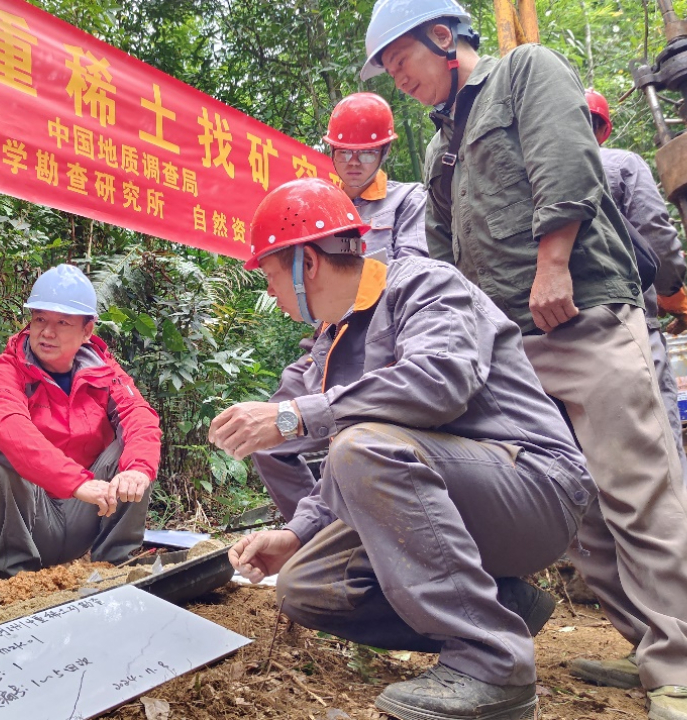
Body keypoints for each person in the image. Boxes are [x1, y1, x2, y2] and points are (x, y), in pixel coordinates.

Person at [362, 1, 687, 717]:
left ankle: (680, 667)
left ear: (443, 38)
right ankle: (646, 649)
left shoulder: (523, 74)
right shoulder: (439, 148)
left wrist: (554, 264)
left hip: (583, 319)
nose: (399, 80)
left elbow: (566, 161)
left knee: (639, 492)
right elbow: (443, 256)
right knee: (577, 510)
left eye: (401, 62)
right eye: (388, 72)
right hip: (513, 351)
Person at [212, 178, 593, 720]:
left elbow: (439, 381)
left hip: (533, 488)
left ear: (307, 263)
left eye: (271, 275)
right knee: (308, 586)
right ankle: (503, 608)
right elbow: (363, 461)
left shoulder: (426, 285)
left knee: (356, 445)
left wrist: (296, 415)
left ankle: (492, 664)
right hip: (459, 500)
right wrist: (296, 533)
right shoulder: (334, 341)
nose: (270, 293)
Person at [252, 92, 428, 519]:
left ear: (384, 151)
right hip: (326, 341)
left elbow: (411, 274)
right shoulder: (312, 205)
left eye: (366, 153)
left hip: (379, 342)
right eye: (344, 152)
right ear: (330, 150)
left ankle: (366, 529)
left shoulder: (407, 201)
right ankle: (315, 532)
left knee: (357, 437)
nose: (354, 163)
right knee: (269, 435)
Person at [0, 264, 162, 576]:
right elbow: (12, 430)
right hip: (32, 515)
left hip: (88, 509)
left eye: (62, 322)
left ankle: (115, 569)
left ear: (87, 331)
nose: (47, 332)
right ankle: (17, 577)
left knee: (132, 450)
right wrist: (78, 483)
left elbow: (139, 415)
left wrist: (138, 469)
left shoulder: (104, 371)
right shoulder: (7, 370)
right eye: (40, 319)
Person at [583, 88, 687, 493]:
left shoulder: (521, 177)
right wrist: (672, 290)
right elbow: (655, 234)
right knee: (660, 444)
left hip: (552, 340)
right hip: (631, 330)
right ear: (602, 129)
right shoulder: (621, 164)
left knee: (589, 452)